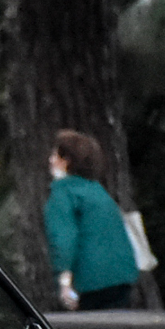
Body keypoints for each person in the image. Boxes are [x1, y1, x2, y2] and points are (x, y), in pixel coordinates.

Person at [43, 130, 141, 311]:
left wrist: (64, 282)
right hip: (122, 276)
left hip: (90, 281)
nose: (50, 160)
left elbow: (64, 239)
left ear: (66, 161)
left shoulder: (63, 193)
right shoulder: (96, 190)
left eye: (54, 155)